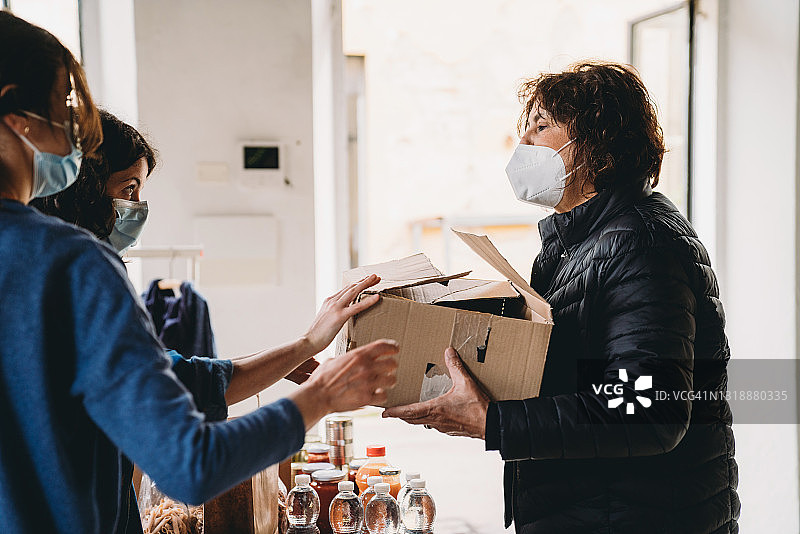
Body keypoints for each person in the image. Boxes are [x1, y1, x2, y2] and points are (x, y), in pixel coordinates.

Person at [0, 11, 397, 534]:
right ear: (16, 114)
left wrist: (305, 345)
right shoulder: (70, 265)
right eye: (65, 109)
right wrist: (323, 395)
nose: (77, 134)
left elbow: (185, 380)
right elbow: (190, 464)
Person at [385, 62, 740, 533]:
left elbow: (650, 407)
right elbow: (575, 375)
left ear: (598, 145)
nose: (523, 145)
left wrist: (496, 422)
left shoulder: (641, 243)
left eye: (542, 126)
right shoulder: (576, 243)